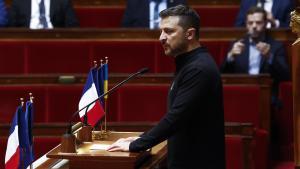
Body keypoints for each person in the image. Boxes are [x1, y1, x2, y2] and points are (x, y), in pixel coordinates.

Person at [108, 5, 225, 169]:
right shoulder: (188, 64)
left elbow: (175, 118)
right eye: (161, 31)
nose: (161, 38)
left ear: (189, 34)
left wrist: (137, 144)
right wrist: (139, 138)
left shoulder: (199, 69)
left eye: (169, 31)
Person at [221, 6, 290, 100]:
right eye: (250, 23)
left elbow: (285, 75)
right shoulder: (237, 44)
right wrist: (231, 56)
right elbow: (222, 75)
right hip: (241, 93)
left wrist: (269, 56)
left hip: (266, 95)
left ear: (265, 23)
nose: (254, 26)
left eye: (258, 22)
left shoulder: (276, 45)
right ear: (246, 24)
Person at [8, 0, 79, 29]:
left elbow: (73, 25)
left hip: (54, 39)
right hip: (28, 38)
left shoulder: (62, 1)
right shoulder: (19, 2)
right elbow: (11, 27)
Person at [121, 0, 186, 29]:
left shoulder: (179, 2)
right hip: (143, 45)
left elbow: (184, 27)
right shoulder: (134, 3)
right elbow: (125, 29)